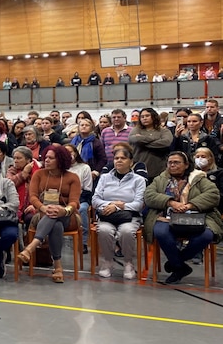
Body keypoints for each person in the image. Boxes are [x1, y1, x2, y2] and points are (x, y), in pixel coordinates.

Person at [144, 151, 223, 284]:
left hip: (196, 218)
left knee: (206, 235)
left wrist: (189, 205)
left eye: (177, 162)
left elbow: (213, 195)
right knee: (161, 232)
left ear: (186, 165)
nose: (172, 165)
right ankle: (180, 267)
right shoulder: (160, 179)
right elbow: (149, 196)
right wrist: (171, 202)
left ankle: (175, 263)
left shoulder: (199, 179)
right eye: (170, 162)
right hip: (166, 217)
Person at [18, 144, 81, 283]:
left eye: (51, 158)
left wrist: (64, 210)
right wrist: (43, 208)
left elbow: (74, 202)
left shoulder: (72, 177)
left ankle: (31, 247)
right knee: (54, 223)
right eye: (45, 157)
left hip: (68, 215)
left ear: (60, 160)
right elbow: (33, 197)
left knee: (56, 219)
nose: (46, 160)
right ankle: (58, 266)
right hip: (42, 213)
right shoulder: (39, 174)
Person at [92, 142, 146, 280]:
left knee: (126, 231)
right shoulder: (104, 178)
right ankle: (108, 261)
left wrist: (119, 206)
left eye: (123, 158)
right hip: (107, 216)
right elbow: (95, 200)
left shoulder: (138, 180)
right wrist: (110, 204)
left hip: (130, 217)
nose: (119, 161)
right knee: (104, 230)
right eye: (116, 158)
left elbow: (139, 204)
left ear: (131, 161)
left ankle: (128, 262)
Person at [129, 107, 173, 181]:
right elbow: (134, 139)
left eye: (147, 116)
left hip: (159, 169)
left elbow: (166, 142)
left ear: (154, 116)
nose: (144, 118)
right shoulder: (136, 130)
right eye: (142, 117)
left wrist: (143, 142)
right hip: (139, 169)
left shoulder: (164, 131)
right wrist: (156, 140)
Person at [64, 143, 93, 253]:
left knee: (82, 209)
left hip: (81, 198)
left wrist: (74, 201)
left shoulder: (84, 168)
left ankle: (83, 242)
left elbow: (87, 190)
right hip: (62, 199)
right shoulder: (59, 168)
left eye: (70, 152)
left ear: (75, 154)